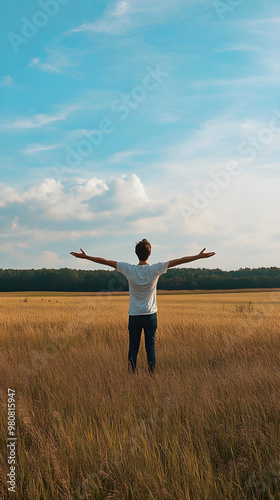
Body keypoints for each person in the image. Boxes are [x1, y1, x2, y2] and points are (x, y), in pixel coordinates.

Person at [70, 239, 215, 375]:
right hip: (150, 315)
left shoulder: (129, 269)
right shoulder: (155, 269)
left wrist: (87, 257)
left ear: (136, 253)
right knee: (150, 347)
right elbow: (180, 260)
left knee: (133, 347)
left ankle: (131, 375)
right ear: (149, 253)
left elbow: (107, 261)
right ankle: (151, 376)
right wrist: (198, 256)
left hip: (134, 315)